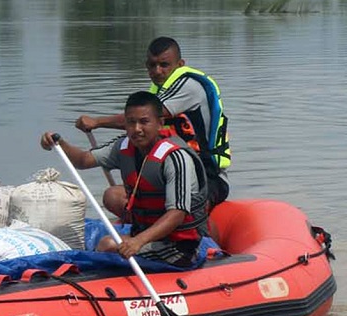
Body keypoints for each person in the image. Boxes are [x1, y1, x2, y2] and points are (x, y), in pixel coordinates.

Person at [43, 91, 209, 268]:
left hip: (179, 247)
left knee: (107, 244)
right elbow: (84, 160)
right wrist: (59, 143)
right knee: (106, 229)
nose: (137, 129)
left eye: (144, 122)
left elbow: (177, 213)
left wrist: (138, 241)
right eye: (131, 122)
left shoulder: (176, 158)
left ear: (160, 123)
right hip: (145, 234)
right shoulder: (123, 147)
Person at [75, 36, 231, 208]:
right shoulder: (159, 90)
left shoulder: (189, 86)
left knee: (186, 208)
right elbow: (84, 160)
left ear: (180, 64)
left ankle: (189, 225)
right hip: (169, 170)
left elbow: (141, 117)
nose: (157, 71)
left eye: (164, 65)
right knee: (114, 197)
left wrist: (97, 122)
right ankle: (144, 224)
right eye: (152, 65)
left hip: (206, 174)